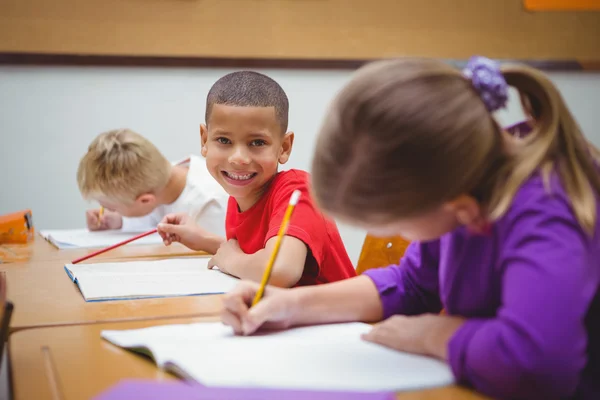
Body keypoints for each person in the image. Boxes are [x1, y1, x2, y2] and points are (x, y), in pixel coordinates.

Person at [220, 57, 600, 399]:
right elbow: (412, 283)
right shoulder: (465, 174)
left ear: (460, 208)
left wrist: (433, 335)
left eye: (395, 225)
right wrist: (290, 305)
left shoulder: (548, 207)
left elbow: (536, 363)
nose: (396, 236)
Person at [157, 71, 356, 287]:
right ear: (204, 140)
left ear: (284, 147)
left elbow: (279, 270)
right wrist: (205, 240)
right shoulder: (241, 195)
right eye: (224, 140)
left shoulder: (297, 191)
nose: (239, 159)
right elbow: (253, 255)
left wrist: (230, 260)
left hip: (341, 321)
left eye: (257, 143)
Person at [77, 128, 228, 236]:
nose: (107, 211)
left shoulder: (210, 206)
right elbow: (155, 217)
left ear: (145, 200)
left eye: (112, 208)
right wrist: (118, 221)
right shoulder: (160, 178)